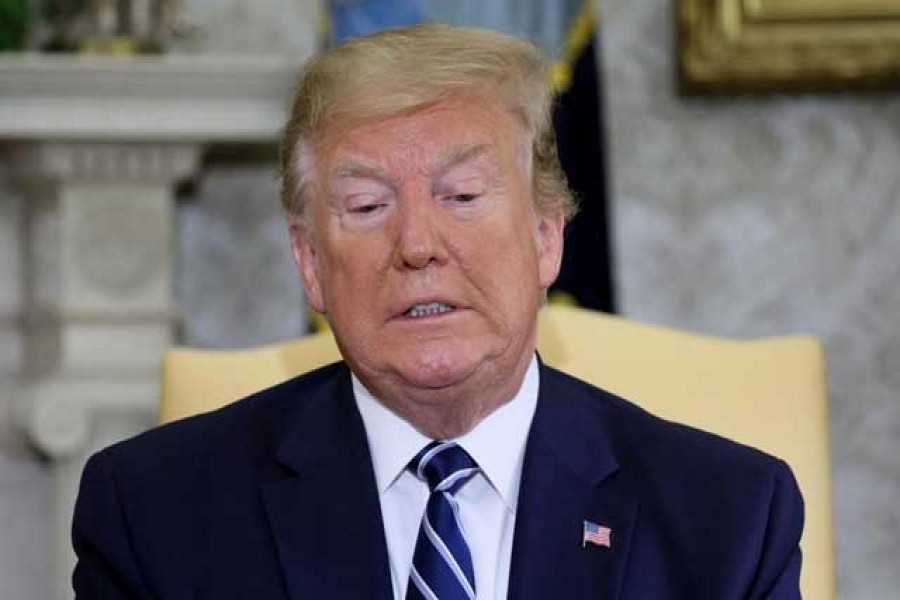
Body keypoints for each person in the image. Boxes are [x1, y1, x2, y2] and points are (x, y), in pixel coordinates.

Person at [72, 24, 804, 599]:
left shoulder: (726, 518)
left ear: (546, 236)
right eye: (366, 205)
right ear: (309, 263)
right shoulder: (155, 513)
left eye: (462, 196)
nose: (417, 245)